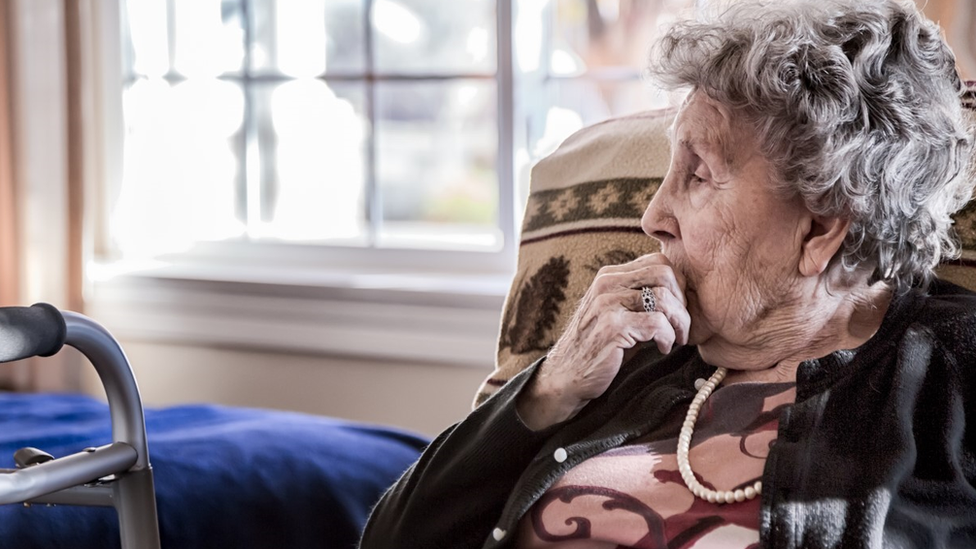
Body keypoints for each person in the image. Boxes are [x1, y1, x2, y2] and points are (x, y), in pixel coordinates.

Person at [358, 0, 976, 547]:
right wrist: (551, 386)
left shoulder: (950, 374)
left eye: (698, 174)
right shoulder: (636, 349)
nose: (653, 216)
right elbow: (391, 538)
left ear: (820, 229)